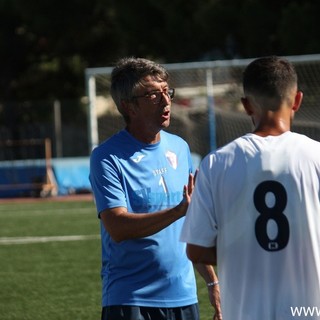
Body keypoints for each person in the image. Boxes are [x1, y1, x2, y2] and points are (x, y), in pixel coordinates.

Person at [180, 56, 320, 319]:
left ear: (245, 105)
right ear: (298, 100)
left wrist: (247, 251)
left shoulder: (216, 163)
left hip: (245, 310)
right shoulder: (317, 156)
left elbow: (196, 249)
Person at [89, 57, 221, 320]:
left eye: (166, 91)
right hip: (131, 299)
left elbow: (191, 224)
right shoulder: (107, 157)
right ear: (129, 106)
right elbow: (118, 227)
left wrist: (212, 283)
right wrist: (177, 211)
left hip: (184, 297)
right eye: (153, 94)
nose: (166, 100)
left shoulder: (180, 148)